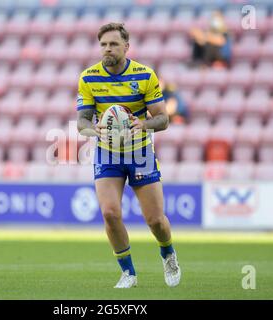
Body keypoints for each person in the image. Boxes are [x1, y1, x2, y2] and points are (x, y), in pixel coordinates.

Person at [76, 23, 181, 288]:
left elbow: (163, 119)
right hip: (107, 153)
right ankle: (128, 273)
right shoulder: (88, 78)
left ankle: (168, 253)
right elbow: (82, 123)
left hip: (140, 153)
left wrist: (143, 124)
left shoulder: (144, 75)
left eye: (113, 44)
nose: (107, 49)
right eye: (103, 44)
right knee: (110, 213)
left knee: (155, 221)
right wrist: (94, 129)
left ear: (126, 47)